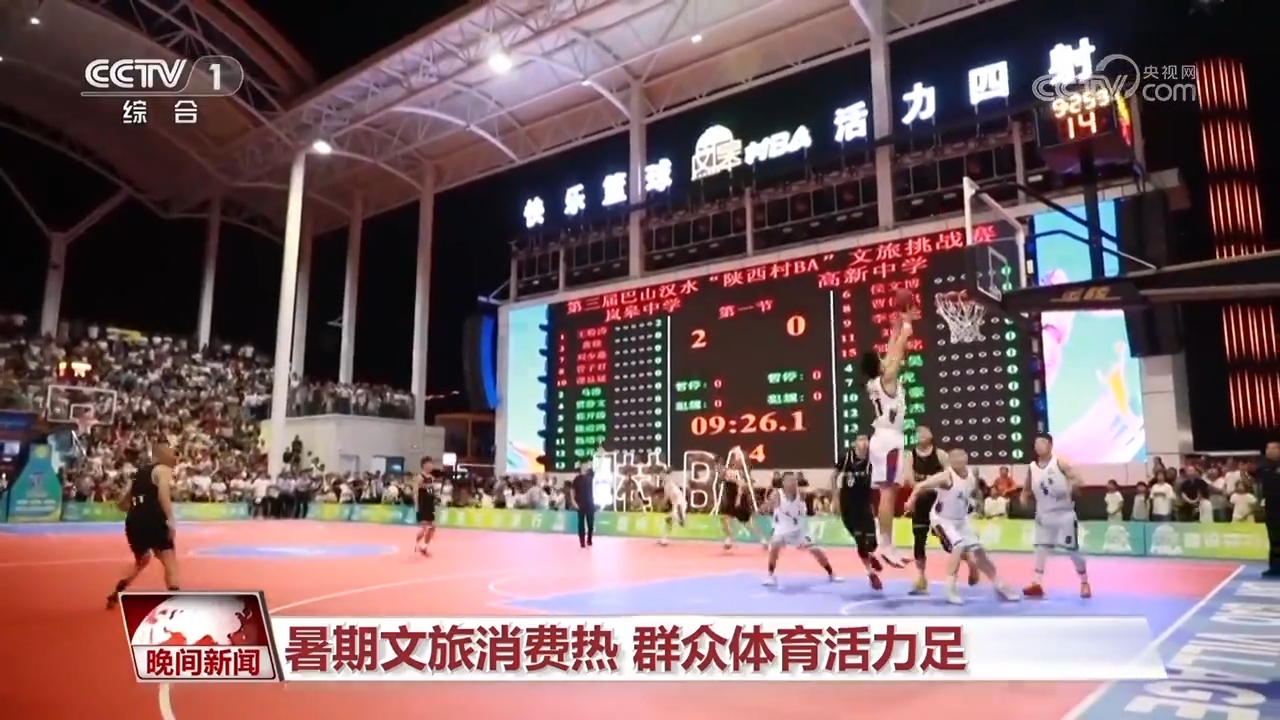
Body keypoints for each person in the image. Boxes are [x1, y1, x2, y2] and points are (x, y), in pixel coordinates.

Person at [905, 448, 1020, 605]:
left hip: (961, 520)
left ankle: (999, 584)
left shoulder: (972, 475)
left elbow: (974, 492)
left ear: (966, 459)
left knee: (979, 553)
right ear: (950, 461)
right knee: (957, 546)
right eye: (955, 459)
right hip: (942, 520)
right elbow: (920, 486)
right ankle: (950, 588)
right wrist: (910, 501)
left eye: (961, 458)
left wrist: (977, 505)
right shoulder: (946, 477)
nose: (959, 461)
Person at [860, 307, 917, 568]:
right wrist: (905, 329)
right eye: (882, 360)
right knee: (887, 494)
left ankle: (887, 543)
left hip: (882, 438)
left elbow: (891, 354)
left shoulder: (875, 383)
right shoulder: (888, 380)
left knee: (888, 493)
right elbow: (896, 354)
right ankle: (885, 544)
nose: (887, 360)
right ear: (879, 367)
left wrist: (895, 328)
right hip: (889, 440)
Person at [106, 443, 181, 608]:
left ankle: (118, 590)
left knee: (142, 561)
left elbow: (123, 503)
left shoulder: (138, 473)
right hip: (153, 517)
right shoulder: (162, 469)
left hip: (134, 519)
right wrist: (170, 520)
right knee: (169, 561)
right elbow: (163, 494)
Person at [906, 426, 978, 595]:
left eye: (924, 432)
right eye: (917, 433)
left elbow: (951, 475)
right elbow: (909, 479)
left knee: (949, 543)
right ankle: (921, 578)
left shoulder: (940, 455)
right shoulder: (910, 456)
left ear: (931, 436)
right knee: (919, 540)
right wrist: (915, 495)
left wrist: (935, 487)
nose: (920, 435)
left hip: (939, 503)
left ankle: (970, 561)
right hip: (921, 502)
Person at [1022, 433, 1092, 599]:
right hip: (1044, 516)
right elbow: (1026, 488)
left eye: (1042, 442)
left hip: (1064, 515)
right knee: (1041, 549)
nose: (1038, 446)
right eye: (1036, 443)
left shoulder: (1060, 463)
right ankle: (1036, 583)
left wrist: (1069, 487)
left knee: (1072, 551)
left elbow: (1080, 481)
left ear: (1050, 445)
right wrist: (1023, 497)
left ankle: (1084, 582)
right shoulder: (1032, 467)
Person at [762, 473, 840, 587]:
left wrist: (829, 492)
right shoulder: (777, 494)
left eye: (794, 481)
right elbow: (767, 505)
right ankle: (770, 575)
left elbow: (816, 491)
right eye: (789, 481)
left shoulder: (801, 493)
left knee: (816, 550)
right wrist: (764, 507)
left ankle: (831, 573)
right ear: (783, 483)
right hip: (781, 531)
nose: (792, 483)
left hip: (798, 531)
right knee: (774, 546)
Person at [831, 435, 883, 590]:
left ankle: (871, 555)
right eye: (860, 440)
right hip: (848, 506)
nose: (863, 443)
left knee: (872, 543)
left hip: (865, 505)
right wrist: (835, 497)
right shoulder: (847, 457)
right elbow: (834, 476)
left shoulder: (873, 459)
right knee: (860, 541)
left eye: (866, 440)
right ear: (855, 443)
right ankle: (870, 573)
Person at [716, 450, 767, 551]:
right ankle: (729, 539)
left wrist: (738, 499)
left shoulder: (737, 473)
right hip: (731, 501)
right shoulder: (726, 472)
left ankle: (763, 540)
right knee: (724, 519)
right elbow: (722, 478)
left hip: (739, 501)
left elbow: (741, 486)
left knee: (748, 524)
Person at [1258, 442, 1280, 578]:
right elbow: (1247, 478)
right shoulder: (1263, 467)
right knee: (1274, 540)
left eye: (1273, 448)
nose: (1269, 451)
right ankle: (1275, 568)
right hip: (1272, 510)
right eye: (1267, 448)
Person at [657, 466, 687, 547]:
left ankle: (682, 519)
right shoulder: (666, 484)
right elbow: (666, 497)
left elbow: (675, 495)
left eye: (662, 474)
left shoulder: (670, 484)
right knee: (669, 521)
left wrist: (677, 508)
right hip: (676, 504)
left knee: (670, 520)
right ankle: (664, 539)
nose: (660, 475)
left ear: (665, 475)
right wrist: (662, 504)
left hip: (680, 504)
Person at [414, 457, 437, 557]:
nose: (431, 466)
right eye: (429, 464)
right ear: (424, 465)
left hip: (430, 504)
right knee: (424, 528)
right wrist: (416, 505)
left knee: (432, 527)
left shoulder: (432, 477)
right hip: (422, 504)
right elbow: (418, 489)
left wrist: (435, 498)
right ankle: (417, 545)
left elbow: (431, 491)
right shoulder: (420, 477)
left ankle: (424, 547)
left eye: (432, 464)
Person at [571, 460, 596, 548]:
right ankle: (582, 541)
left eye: (587, 465)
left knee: (590, 524)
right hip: (580, 504)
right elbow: (572, 490)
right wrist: (573, 502)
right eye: (584, 465)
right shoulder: (577, 479)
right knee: (581, 523)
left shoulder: (591, 477)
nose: (586, 466)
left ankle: (589, 539)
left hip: (590, 503)